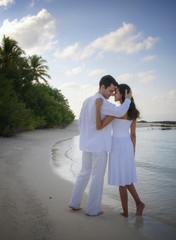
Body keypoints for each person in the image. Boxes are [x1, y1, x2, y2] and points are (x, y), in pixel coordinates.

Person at [69, 75, 132, 216]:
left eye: (113, 92)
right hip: (99, 146)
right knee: (97, 177)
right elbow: (121, 111)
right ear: (102, 87)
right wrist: (127, 99)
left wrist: (86, 137)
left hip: (86, 144)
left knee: (84, 173)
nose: (111, 94)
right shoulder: (102, 102)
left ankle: (74, 202)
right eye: (110, 91)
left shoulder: (87, 101)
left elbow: (80, 123)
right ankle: (92, 210)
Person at [95, 84, 145, 217]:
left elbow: (99, 126)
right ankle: (136, 205)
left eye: (116, 92)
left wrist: (97, 108)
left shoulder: (117, 111)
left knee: (122, 181)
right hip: (127, 146)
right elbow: (133, 135)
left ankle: (128, 211)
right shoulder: (133, 113)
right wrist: (133, 152)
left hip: (117, 146)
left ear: (122, 94)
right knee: (126, 179)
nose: (114, 94)